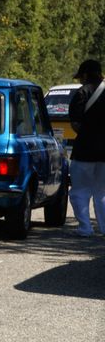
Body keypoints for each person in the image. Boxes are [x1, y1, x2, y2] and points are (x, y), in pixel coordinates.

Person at [68, 59, 105, 237]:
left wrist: (89, 132)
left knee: (80, 191)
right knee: (102, 192)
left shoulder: (82, 93)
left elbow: (75, 124)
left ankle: (85, 228)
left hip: (84, 150)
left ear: (84, 75)